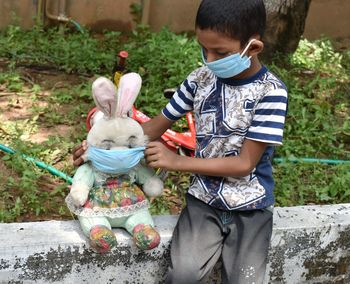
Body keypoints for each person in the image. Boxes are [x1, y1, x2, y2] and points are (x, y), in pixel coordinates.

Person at [73, 0, 288, 282]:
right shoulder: (200, 79)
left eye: (220, 53)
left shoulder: (270, 92)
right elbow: (153, 128)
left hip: (252, 209)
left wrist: (177, 161)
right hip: (203, 203)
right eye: (204, 49)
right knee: (182, 276)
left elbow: (245, 163)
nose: (209, 60)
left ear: (254, 47)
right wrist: (104, 149)